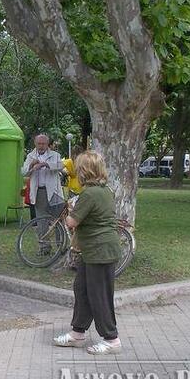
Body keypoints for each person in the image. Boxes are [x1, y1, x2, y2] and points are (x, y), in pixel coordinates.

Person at [53, 150, 122, 355]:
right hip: (94, 250)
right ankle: (77, 333)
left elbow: (71, 222)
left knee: (99, 296)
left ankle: (111, 339)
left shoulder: (90, 193)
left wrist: (70, 209)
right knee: (81, 289)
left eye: (79, 168)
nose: (76, 172)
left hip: (99, 250)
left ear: (85, 170)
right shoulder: (104, 190)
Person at [21, 134, 65, 253]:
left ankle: (61, 247)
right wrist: (31, 165)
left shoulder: (55, 155)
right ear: (35, 144)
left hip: (54, 193)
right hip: (39, 192)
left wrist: (45, 164)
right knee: (41, 221)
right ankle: (44, 248)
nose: (41, 146)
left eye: (43, 144)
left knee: (58, 221)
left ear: (47, 144)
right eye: (39, 143)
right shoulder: (31, 156)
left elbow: (61, 166)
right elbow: (23, 172)